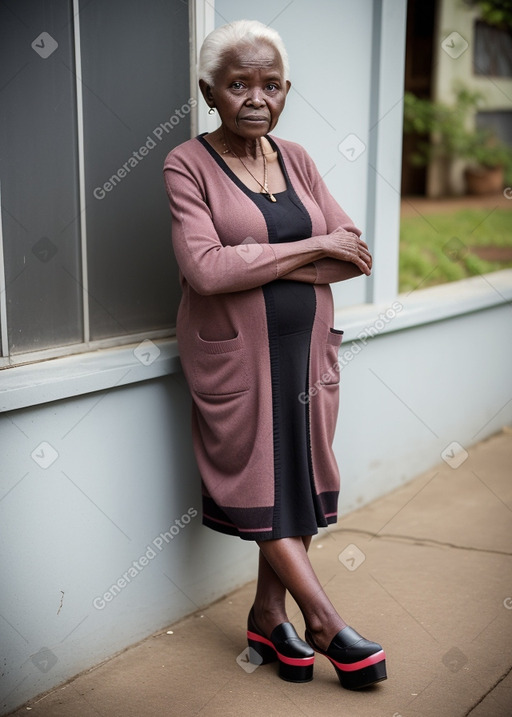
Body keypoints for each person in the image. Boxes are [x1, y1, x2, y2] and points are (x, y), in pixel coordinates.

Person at [163, 19, 386, 690]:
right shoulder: (187, 164)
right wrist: (310, 248)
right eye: (237, 84)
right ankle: (322, 620)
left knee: (300, 481)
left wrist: (263, 262)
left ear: (286, 90)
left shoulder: (298, 159)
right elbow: (204, 270)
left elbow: (356, 254)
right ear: (210, 91)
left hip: (308, 352)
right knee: (259, 481)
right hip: (236, 358)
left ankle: (266, 615)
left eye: (270, 84)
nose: (255, 97)